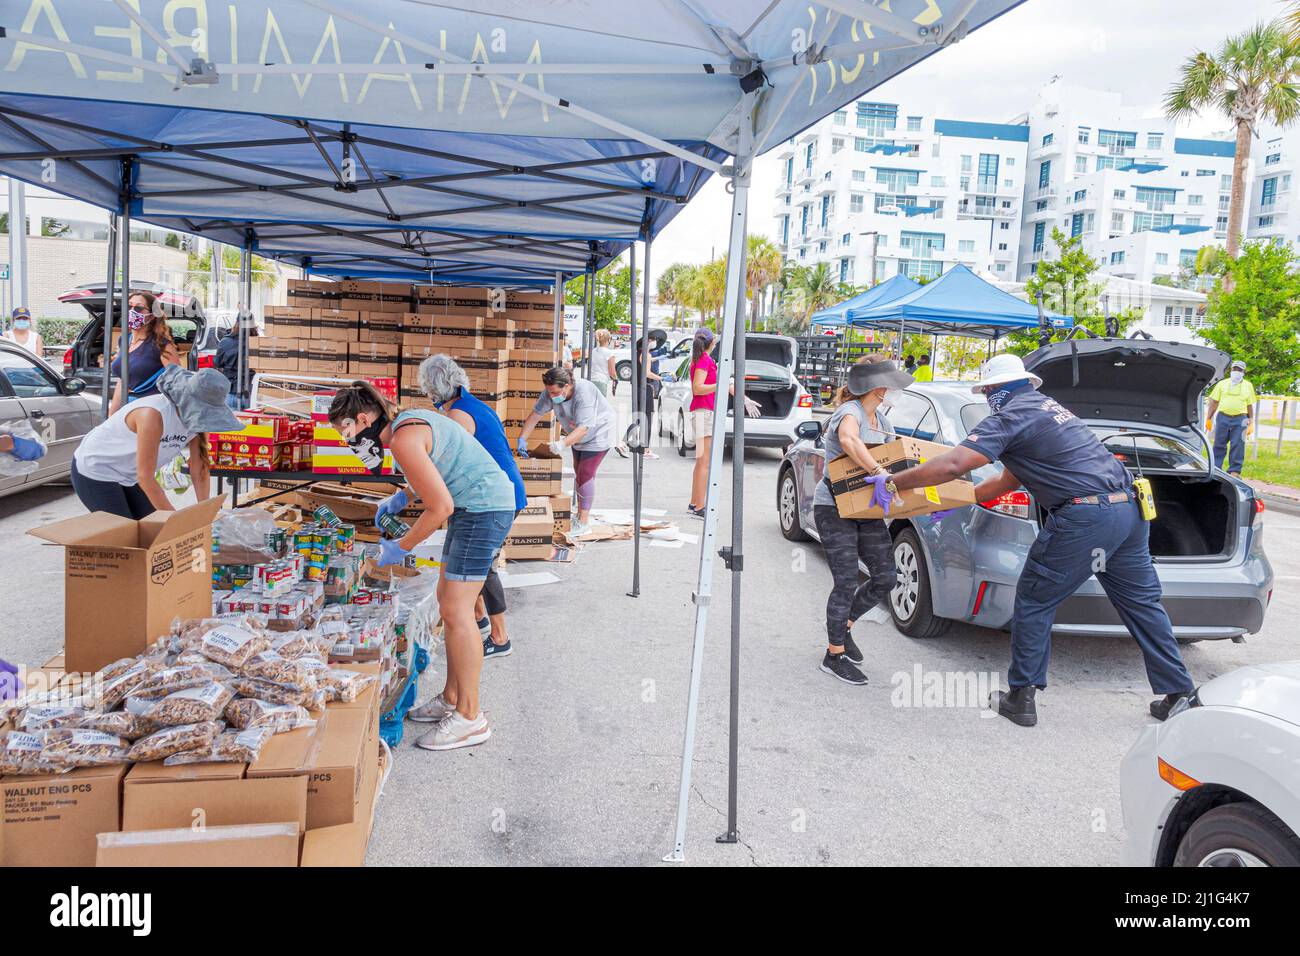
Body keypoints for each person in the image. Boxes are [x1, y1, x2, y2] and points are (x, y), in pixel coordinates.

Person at [877, 352, 1195, 726]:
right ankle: (1179, 693)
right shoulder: (1050, 410)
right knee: (1142, 604)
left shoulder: (1010, 416)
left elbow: (953, 464)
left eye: (988, 392)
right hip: (1129, 511)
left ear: (994, 390)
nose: (988, 399)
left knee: (1033, 600)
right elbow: (1005, 482)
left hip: (1086, 518)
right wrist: (954, 501)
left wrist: (893, 481)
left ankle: (1021, 698)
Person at [331, 381, 517, 752]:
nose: (346, 441)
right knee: (447, 601)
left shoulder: (401, 439)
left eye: (345, 431)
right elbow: (437, 468)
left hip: (482, 509)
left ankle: (470, 716)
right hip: (475, 507)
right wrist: (401, 497)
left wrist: (399, 548)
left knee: (457, 610)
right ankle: (452, 696)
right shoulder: (406, 426)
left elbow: (440, 507)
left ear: (364, 419)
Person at [388, 354, 526, 660]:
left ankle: (500, 636)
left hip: (492, 498)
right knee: (468, 565)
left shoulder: (458, 416)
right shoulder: (474, 405)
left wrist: (406, 499)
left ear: (432, 390)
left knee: (482, 566)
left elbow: (445, 466)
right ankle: (474, 619)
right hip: (495, 492)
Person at [814, 358, 914, 686]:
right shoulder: (850, 412)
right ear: (878, 388)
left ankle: (846, 625)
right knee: (845, 581)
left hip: (866, 509)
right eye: (891, 386)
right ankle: (834, 655)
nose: (894, 391)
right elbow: (849, 441)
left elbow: (896, 462)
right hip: (834, 508)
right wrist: (877, 472)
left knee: (886, 577)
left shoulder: (882, 420)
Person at [71, 365, 235, 518]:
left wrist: (205, 513)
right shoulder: (153, 415)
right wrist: (177, 523)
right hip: (97, 469)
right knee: (125, 535)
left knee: (153, 530)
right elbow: (145, 477)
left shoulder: (200, 420)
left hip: (130, 475)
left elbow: (199, 468)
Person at [516, 366, 614, 537]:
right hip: (577, 434)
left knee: (586, 473)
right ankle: (579, 515)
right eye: (550, 393)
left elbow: (584, 428)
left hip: (598, 432)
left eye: (555, 393)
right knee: (579, 471)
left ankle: (584, 522)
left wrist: (561, 444)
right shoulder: (550, 392)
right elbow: (535, 415)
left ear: (567, 385)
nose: (552, 397)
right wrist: (522, 438)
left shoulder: (583, 393)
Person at [685, 327, 760, 517]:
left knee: (701, 462)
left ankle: (695, 503)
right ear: (712, 343)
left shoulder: (701, 359)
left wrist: (745, 399)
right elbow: (698, 388)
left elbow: (726, 384)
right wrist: (720, 385)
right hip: (704, 413)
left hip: (702, 412)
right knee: (704, 462)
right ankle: (700, 507)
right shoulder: (704, 360)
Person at [109, 290, 182, 414]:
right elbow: (123, 380)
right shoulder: (124, 340)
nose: (132, 311)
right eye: (129, 306)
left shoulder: (161, 344)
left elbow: (178, 382)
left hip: (151, 411)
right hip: (128, 407)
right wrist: (112, 413)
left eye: (138, 308)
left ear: (152, 315)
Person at [1205, 359, 1257, 477]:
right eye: (1235, 369)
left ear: (1243, 372)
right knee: (1219, 444)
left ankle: (1235, 471)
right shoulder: (1222, 384)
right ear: (1231, 370)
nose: (1236, 371)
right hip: (1223, 417)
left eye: (1239, 370)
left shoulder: (1248, 386)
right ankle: (1216, 468)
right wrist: (1208, 418)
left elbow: (1249, 405)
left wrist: (1251, 421)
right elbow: (1214, 402)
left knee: (1238, 445)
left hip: (1241, 418)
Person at [215, 321, 257, 411]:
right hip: (250, 391)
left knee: (230, 423)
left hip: (230, 389)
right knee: (251, 423)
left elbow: (217, 363)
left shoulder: (225, 342)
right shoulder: (257, 343)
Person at [634, 336, 663, 459]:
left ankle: (625, 443)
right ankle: (645, 449)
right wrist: (661, 378)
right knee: (647, 418)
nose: (654, 342)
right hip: (645, 388)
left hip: (638, 388)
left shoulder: (638, 353)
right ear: (647, 341)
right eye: (652, 339)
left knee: (640, 418)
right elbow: (647, 372)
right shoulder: (646, 354)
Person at [587, 328, 618, 398]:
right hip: (601, 382)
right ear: (609, 339)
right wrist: (615, 379)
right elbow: (612, 372)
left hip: (590, 380)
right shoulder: (610, 353)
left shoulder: (592, 351)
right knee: (600, 406)